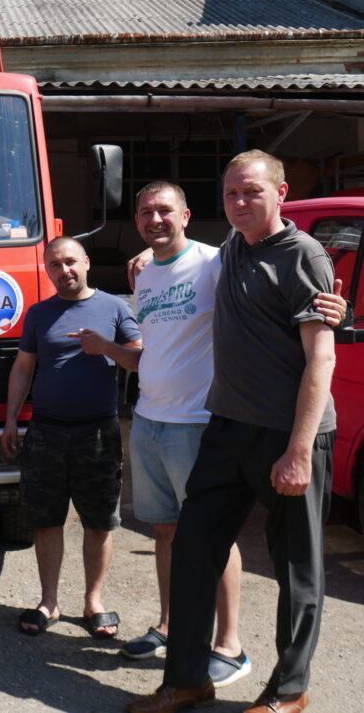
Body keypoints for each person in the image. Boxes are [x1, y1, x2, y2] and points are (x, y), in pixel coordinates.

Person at [127, 150, 337, 713]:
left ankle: (290, 691)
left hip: (289, 434)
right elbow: (177, 259)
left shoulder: (304, 256)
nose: (240, 203)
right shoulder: (231, 252)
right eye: (232, 195)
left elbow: (322, 360)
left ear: (281, 192)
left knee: (296, 569)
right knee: (194, 550)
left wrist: (297, 451)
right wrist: (146, 256)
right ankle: (187, 680)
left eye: (252, 192)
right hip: (227, 427)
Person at [72, 181, 250, 688]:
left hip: (198, 423)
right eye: (146, 211)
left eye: (164, 210)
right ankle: (171, 625)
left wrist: (327, 309)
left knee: (215, 535)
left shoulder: (217, 262)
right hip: (149, 419)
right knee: (166, 531)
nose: (155, 219)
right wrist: (107, 346)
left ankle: (229, 645)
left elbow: (267, 296)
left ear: (187, 215)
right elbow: (148, 352)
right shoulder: (146, 276)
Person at [1, 236, 141, 639]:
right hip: (46, 430)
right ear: (47, 271)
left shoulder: (115, 307)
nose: (64, 271)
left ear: (86, 263)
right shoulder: (39, 314)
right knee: (45, 520)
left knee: (99, 521)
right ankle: (49, 602)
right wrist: (11, 420)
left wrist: (105, 347)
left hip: (98, 431)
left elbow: (140, 359)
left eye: (70, 263)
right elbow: (24, 368)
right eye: (55, 265)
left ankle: (93, 601)